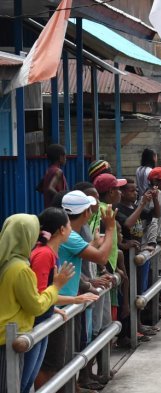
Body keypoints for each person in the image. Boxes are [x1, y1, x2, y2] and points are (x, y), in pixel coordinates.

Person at [24, 208, 99, 393]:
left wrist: (71, 300)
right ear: (61, 229)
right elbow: (40, 294)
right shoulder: (44, 254)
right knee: (42, 369)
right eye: (68, 225)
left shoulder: (50, 252)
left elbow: (44, 295)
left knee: (49, 364)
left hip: (45, 315)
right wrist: (67, 298)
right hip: (39, 321)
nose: (71, 230)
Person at [0, 214, 75, 393]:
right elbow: (35, 305)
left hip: (8, 336)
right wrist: (56, 286)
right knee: (17, 387)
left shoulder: (6, 262)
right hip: (10, 338)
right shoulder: (20, 269)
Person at [39, 144, 68, 209]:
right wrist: (62, 198)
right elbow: (50, 188)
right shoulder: (58, 171)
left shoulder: (49, 171)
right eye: (65, 156)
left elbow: (40, 188)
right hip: (57, 210)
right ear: (60, 157)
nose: (66, 159)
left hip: (48, 208)